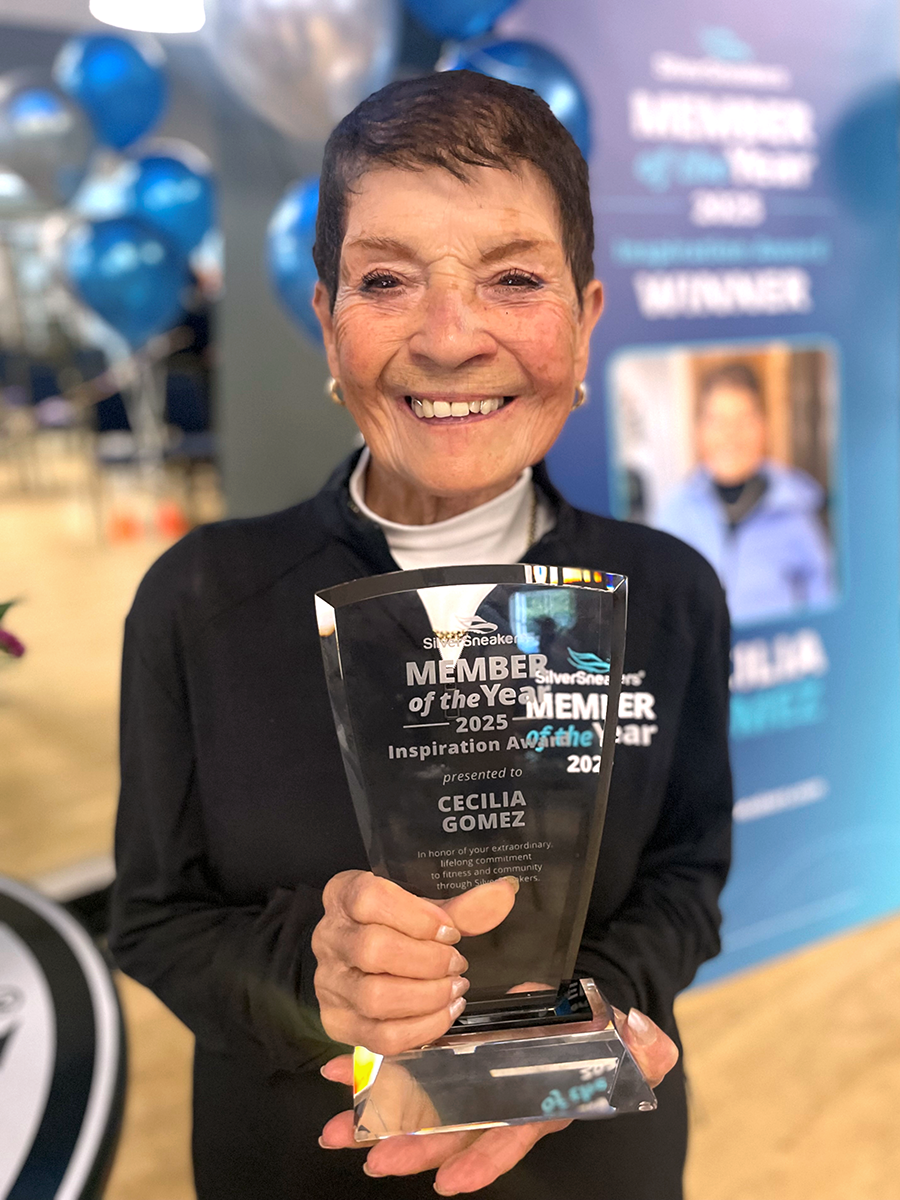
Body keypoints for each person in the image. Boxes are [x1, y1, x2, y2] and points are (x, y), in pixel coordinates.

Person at [110, 71, 732, 1200]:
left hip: (588, 1156)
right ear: (327, 323)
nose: (451, 339)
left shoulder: (671, 593)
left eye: (514, 279)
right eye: (388, 279)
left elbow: (689, 872)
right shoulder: (201, 597)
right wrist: (320, 983)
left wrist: (588, 1017)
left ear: (586, 320)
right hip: (304, 1156)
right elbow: (156, 918)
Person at [656, 361, 836, 623]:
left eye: (744, 419)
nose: (730, 434)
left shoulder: (801, 511)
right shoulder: (673, 515)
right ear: (699, 430)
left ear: (764, 426)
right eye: (717, 420)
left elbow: (826, 611)